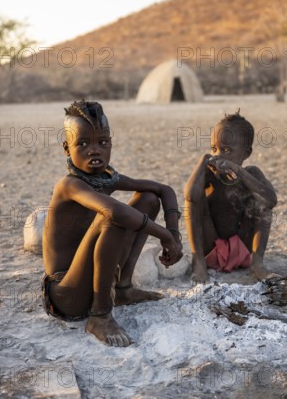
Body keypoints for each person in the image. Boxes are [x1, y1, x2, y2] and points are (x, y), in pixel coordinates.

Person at [42, 100, 183, 347]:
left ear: (110, 144)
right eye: (82, 144)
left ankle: (122, 289)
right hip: (68, 294)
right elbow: (114, 211)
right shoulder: (70, 185)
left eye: (102, 142)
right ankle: (99, 315)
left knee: (148, 199)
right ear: (67, 149)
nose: (94, 150)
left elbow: (163, 189)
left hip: (93, 280)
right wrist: (163, 235)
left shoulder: (107, 178)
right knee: (113, 217)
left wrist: (174, 233)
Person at [184, 110, 277, 284]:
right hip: (210, 249)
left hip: (242, 252)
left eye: (227, 150)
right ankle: (198, 261)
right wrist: (203, 162)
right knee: (194, 200)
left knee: (261, 199)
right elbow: (189, 196)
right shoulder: (208, 174)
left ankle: (257, 264)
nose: (218, 155)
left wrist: (239, 171)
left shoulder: (251, 173)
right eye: (214, 148)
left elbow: (271, 201)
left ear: (246, 154)